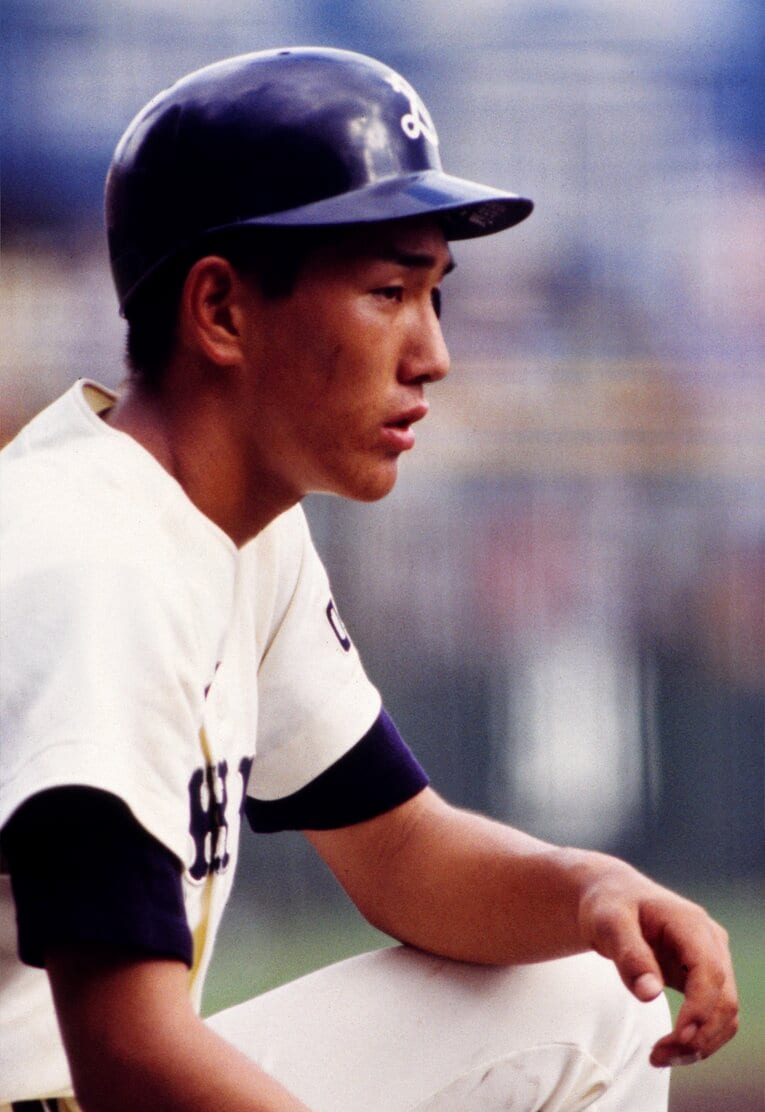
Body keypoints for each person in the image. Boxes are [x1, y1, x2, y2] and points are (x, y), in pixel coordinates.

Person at [0, 46, 737, 1111]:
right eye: (389, 290)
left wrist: (592, 887)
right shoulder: (88, 560)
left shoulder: (233, 526)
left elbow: (400, 849)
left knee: (596, 987)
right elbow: (129, 1056)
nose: (432, 353)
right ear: (220, 312)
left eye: (434, 294)